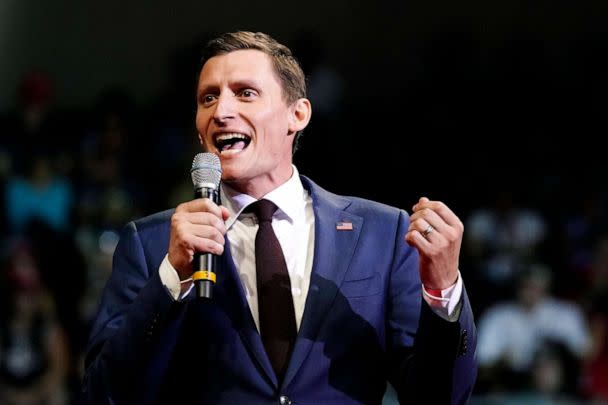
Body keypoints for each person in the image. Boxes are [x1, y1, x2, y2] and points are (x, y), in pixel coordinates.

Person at [81, 31, 477, 404]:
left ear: (298, 114)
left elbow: (438, 398)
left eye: (245, 94)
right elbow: (105, 394)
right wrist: (170, 280)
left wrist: (443, 293)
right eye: (208, 98)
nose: (222, 110)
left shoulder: (381, 234)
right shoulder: (151, 244)